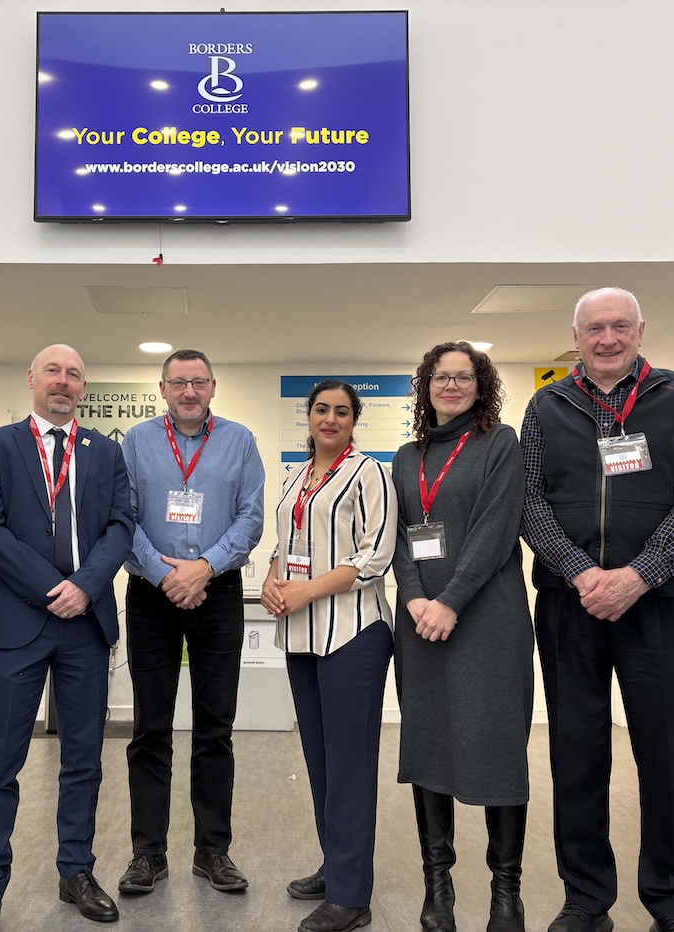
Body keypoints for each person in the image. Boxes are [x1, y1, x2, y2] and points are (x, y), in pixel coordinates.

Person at [521, 288, 674, 932]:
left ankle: (672, 900)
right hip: (569, 603)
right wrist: (582, 572)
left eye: (620, 326)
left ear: (640, 329)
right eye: (595, 328)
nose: (608, 339)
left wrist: (638, 575)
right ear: (575, 336)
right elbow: (530, 502)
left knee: (667, 754)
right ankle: (585, 899)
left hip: (659, 601)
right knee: (576, 753)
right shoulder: (546, 405)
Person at [0, 344, 134, 932]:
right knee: (1, 760)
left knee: (83, 757)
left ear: (84, 387)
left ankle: (76, 871)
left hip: (86, 624)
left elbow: (121, 526)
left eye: (74, 374)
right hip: (18, 623)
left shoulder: (105, 451)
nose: (63, 381)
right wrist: (51, 588)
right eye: (53, 371)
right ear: (32, 378)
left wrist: (84, 587)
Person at [391, 342, 534, 932]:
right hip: (420, 623)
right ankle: (438, 890)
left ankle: (506, 895)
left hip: (489, 621)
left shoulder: (500, 444)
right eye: (441, 377)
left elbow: (496, 530)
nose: (451, 385)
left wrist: (450, 601)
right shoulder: (406, 457)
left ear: (481, 385)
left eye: (464, 376)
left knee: (498, 748)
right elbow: (398, 535)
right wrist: (414, 597)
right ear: (426, 386)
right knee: (428, 746)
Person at [118, 349, 264, 896]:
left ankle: (212, 850)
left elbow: (250, 516)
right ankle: (147, 854)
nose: (189, 391)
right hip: (151, 593)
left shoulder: (240, 441)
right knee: (150, 729)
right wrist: (166, 575)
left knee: (215, 728)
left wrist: (203, 568)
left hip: (217, 590)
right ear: (163, 388)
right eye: (178, 382)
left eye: (198, 382)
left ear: (213, 386)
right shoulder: (137, 442)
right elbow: (123, 517)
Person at [261, 379, 397, 932]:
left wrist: (306, 592)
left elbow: (375, 556)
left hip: (353, 636)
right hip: (300, 636)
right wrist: (271, 581)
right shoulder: (296, 477)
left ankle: (351, 897)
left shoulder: (370, 473)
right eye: (322, 409)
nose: (330, 419)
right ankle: (337, 864)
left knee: (350, 765)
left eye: (342, 411)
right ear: (309, 416)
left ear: (354, 420)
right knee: (320, 761)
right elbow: (285, 544)